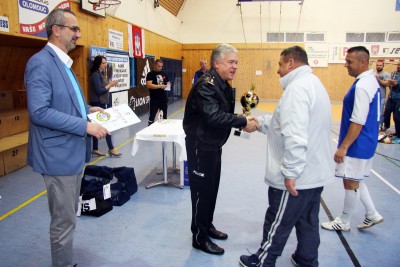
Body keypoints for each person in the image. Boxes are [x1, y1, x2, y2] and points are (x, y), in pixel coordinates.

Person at [24, 8, 109, 267]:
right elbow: (39, 112)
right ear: (56, 30)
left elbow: (64, 102)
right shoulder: (40, 63)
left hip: (70, 154)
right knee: (63, 222)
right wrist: (84, 126)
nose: (78, 35)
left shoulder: (64, 63)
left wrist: (87, 110)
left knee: (68, 216)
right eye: (74, 29)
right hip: (57, 156)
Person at [238, 46, 333, 267]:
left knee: (278, 220)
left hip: (296, 177)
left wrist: (290, 173)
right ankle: (306, 259)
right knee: (308, 221)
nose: (278, 71)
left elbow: (295, 135)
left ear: (290, 63)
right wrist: (259, 123)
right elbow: (284, 120)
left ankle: (263, 261)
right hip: (314, 174)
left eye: (280, 65)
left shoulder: (297, 89)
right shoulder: (313, 84)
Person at [183, 43, 258, 256]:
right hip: (201, 146)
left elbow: (224, 115)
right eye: (231, 62)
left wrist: (242, 119)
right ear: (217, 63)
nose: (235, 66)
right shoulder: (205, 85)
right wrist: (242, 122)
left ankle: (207, 225)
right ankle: (199, 237)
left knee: (212, 189)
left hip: (213, 145)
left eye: (236, 62)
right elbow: (213, 116)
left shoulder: (223, 84)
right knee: (201, 192)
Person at [321, 46, 384, 232]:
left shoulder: (363, 85)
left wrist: (344, 147)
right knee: (356, 179)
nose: (345, 65)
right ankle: (372, 213)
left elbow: (358, 120)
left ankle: (344, 221)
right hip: (367, 141)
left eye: (349, 61)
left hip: (357, 143)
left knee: (349, 181)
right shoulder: (371, 81)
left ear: (363, 62)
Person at [89, 55, 121, 157]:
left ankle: (95, 148)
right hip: (97, 103)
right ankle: (111, 148)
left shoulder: (101, 74)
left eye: (106, 62)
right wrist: (110, 85)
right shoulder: (95, 75)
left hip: (101, 102)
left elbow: (104, 88)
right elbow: (99, 90)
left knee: (97, 125)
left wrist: (111, 84)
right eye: (103, 63)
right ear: (99, 64)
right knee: (107, 125)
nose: (105, 64)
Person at [146, 59, 171, 125]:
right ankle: (149, 130)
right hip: (154, 99)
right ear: (155, 65)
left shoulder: (164, 74)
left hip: (163, 99)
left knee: (164, 116)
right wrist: (160, 86)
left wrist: (168, 84)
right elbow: (149, 85)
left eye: (161, 66)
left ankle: (163, 131)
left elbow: (167, 83)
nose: (160, 68)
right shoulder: (150, 74)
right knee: (152, 116)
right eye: (159, 66)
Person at [383, 61, 400, 136]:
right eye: (398, 65)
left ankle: (398, 133)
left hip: (399, 99)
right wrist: (390, 83)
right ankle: (386, 126)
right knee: (386, 111)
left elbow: (396, 84)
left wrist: (395, 84)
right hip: (391, 97)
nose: (398, 66)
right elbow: (389, 84)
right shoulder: (393, 73)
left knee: (397, 116)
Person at [375, 61, 390, 130]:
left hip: (382, 97)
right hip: (373, 97)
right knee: (374, 113)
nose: (379, 66)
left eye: (380, 65)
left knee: (380, 113)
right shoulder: (373, 74)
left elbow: (387, 84)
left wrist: (378, 80)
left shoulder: (386, 74)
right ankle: (374, 126)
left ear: (383, 66)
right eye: (377, 65)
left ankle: (380, 127)